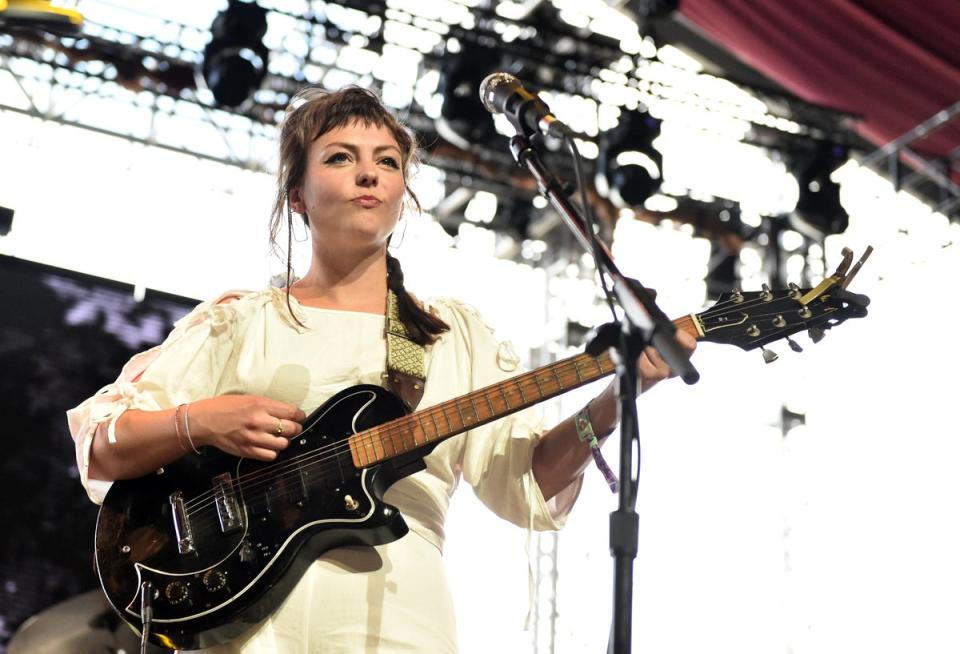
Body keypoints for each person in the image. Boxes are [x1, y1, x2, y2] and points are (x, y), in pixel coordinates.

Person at [66, 85, 697, 653]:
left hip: (402, 624)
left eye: (388, 162)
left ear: (403, 197)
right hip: (253, 628)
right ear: (297, 196)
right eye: (341, 157)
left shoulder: (456, 337)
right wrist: (201, 421)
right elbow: (106, 445)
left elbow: (525, 485)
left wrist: (616, 400)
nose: (369, 173)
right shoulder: (240, 323)